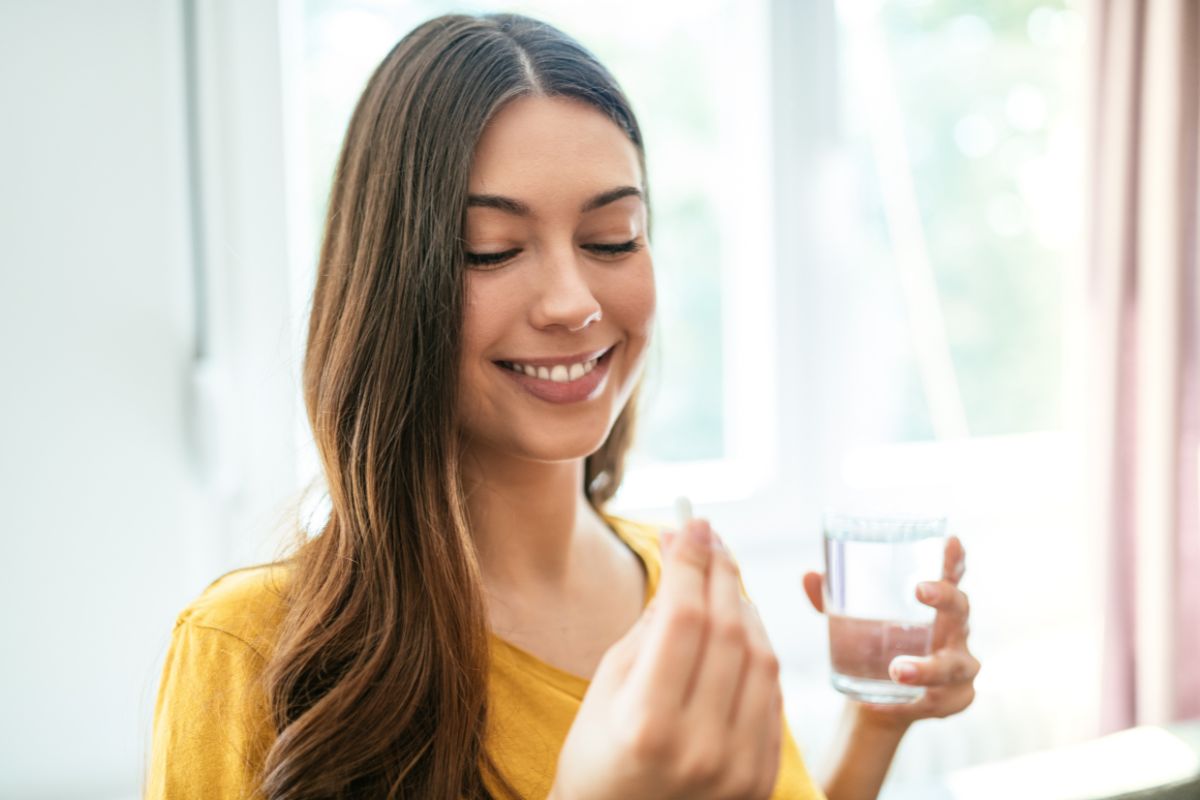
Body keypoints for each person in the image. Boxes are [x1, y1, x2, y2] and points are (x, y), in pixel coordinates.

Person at [145, 12, 979, 800]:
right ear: (392, 287)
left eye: (612, 238)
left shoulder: (687, 599)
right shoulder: (251, 650)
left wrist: (876, 724)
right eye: (493, 251)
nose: (571, 302)